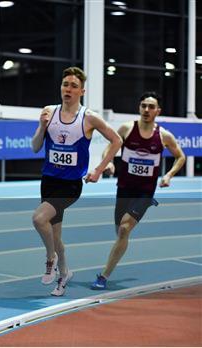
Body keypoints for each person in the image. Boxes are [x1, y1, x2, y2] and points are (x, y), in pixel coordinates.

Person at [31, 67, 122, 296]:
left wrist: (99, 170)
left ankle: (49, 258)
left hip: (70, 185)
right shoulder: (49, 113)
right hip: (49, 180)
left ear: (82, 90)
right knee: (57, 236)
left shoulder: (88, 117)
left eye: (73, 86)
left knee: (38, 218)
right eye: (65, 85)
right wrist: (42, 126)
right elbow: (35, 147)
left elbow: (116, 140)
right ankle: (64, 276)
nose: (68, 89)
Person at [92, 91, 186, 290]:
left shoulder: (164, 136)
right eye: (143, 105)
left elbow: (181, 157)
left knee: (125, 228)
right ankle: (116, 254)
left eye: (151, 107)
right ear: (139, 108)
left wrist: (168, 175)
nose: (146, 110)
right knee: (120, 231)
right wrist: (108, 165)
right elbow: (111, 147)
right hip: (124, 188)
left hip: (145, 191)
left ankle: (103, 276)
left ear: (158, 111)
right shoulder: (127, 129)